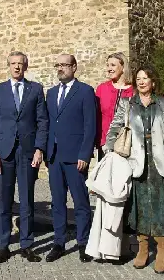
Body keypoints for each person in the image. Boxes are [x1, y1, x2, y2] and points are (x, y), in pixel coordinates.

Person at [105, 65, 164, 274]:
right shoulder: (127, 104)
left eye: (145, 78)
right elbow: (114, 128)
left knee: (161, 207)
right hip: (135, 163)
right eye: (138, 78)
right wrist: (109, 149)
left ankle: (161, 250)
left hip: (159, 162)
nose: (141, 81)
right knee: (138, 207)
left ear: (153, 82)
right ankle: (142, 248)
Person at [0, 52, 48, 263]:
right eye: (13, 64)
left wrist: (40, 149)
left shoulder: (36, 89)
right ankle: (3, 245)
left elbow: (42, 122)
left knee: (27, 200)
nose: (17, 67)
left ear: (26, 66)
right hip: (4, 153)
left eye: (20, 64)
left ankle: (27, 245)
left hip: (28, 152)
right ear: (8, 66)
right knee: (4, 201)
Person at [44, 54, 97, 264]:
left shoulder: (84, 91)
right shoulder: (51, 93)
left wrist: (84, 154)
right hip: (54, 156)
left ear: (74, 67)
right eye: (58, 65)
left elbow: (89, 125)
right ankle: (59, 242)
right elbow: (48, 123)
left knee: (81, 202)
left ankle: (84, 242)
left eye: (64, 65)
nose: (60, 68)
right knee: (57, 202)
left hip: (76, 157)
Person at [95, 52, 133, 160]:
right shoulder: (102, 89)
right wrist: (101, 141)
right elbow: (97, 117)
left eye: (113, 65)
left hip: (128, 145)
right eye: (107, 65)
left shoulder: (133, 91)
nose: (109, 68)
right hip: (105, 144)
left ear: (123, 67)